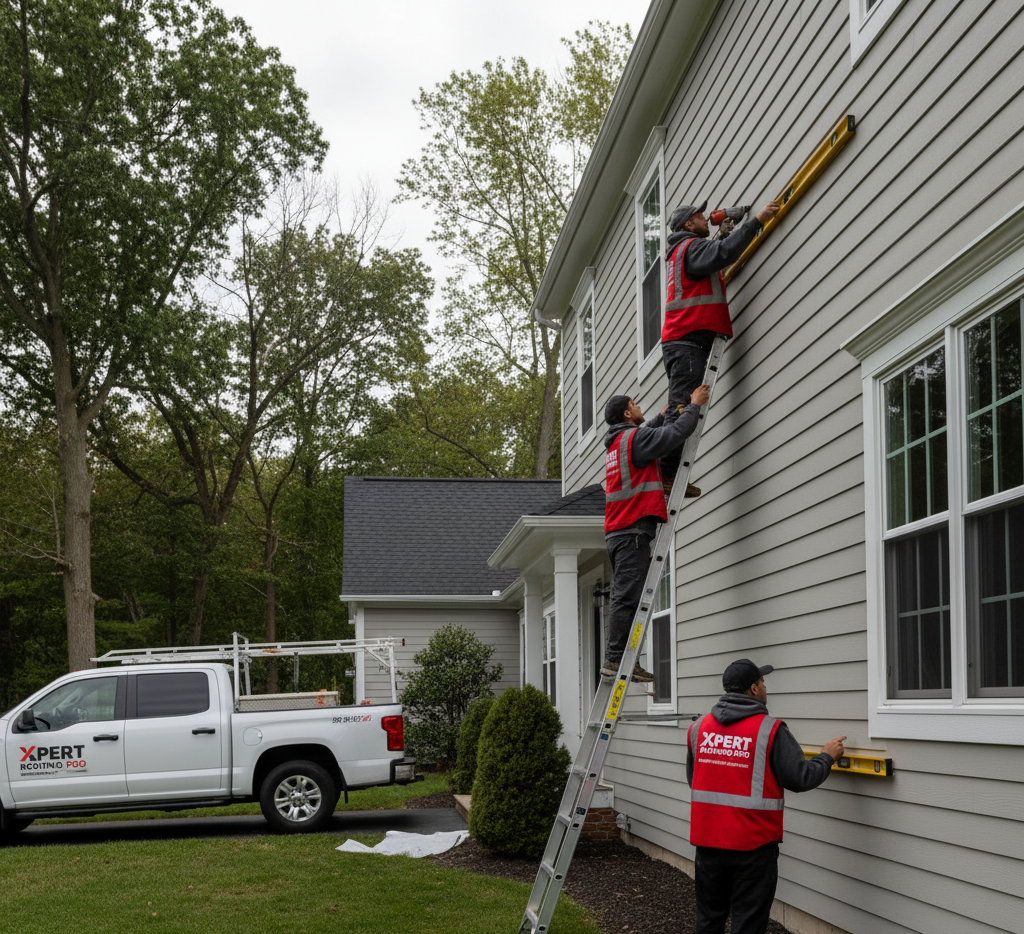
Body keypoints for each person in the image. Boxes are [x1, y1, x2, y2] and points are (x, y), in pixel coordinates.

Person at [686, 659, 847, 934]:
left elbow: (696, 779)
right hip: (753, 849)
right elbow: (800, 777)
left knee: (708, 921)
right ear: (753, 689)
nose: (764, 686)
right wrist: (826, 757)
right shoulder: (769, 730)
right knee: (748, 923)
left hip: (708, 847)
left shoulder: (699, 728)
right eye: (762, 682)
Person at [658, 199, 780, 486]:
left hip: (683, 339)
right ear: (688, 224)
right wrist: (756, 220)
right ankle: (666, 474)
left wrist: (723, 234)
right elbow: (722, 253)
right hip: (687, 340)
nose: (705, 219)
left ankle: (667, 473)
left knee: (681, 404)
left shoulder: (681, 251)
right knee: (680, 407)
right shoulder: (691, 248)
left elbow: (712, 257)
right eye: (700, 216)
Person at [601, 386, 710, 682]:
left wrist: (660, 417)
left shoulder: (617, 443)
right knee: (627, 598)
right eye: (634, 404)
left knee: (628, 598)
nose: (639, 407)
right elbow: (674, 435)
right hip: (632, 531)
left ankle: (621, 659)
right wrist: (694, 406)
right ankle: (615, 661)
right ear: (626, 412)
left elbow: (646, 433)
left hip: (620, 531)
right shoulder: (634, 440)